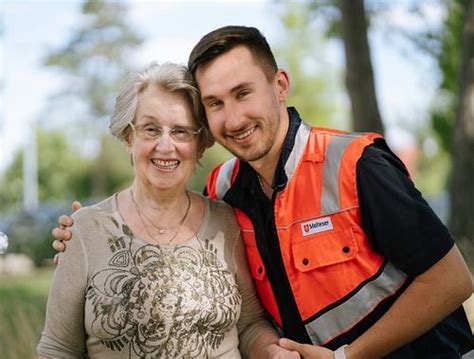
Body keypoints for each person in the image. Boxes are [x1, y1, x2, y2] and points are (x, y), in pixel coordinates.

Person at [52, 26, 474, 358]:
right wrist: (87, 238)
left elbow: (452, 279)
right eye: (215, 103)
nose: (234, 118)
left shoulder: (354, 164)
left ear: (280, 85)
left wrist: (347, 356)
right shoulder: (224, 190)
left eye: (243, 93)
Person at [38, 62, 299, 358]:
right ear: (128, 137)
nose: (166, 145)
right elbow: (58, 348)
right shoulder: (85, 230)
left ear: (199, 144)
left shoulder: (227, 222)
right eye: (151, 129)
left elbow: (250, 325)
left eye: (181, 131)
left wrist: (273, 352)